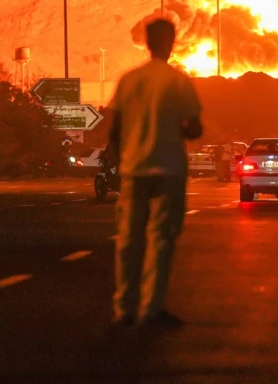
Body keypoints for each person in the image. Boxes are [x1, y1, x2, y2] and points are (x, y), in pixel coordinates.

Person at [109, 18, 202, 327]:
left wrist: (122, 157)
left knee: (128, 239)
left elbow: (115, 128)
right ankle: (151, 309)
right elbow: (194, 127)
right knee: (161, 239)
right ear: (172, 42)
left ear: (146, 42)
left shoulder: (129, 80)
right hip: (169, 169)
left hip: (134, 168)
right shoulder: (178, 81)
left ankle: (123, 308)